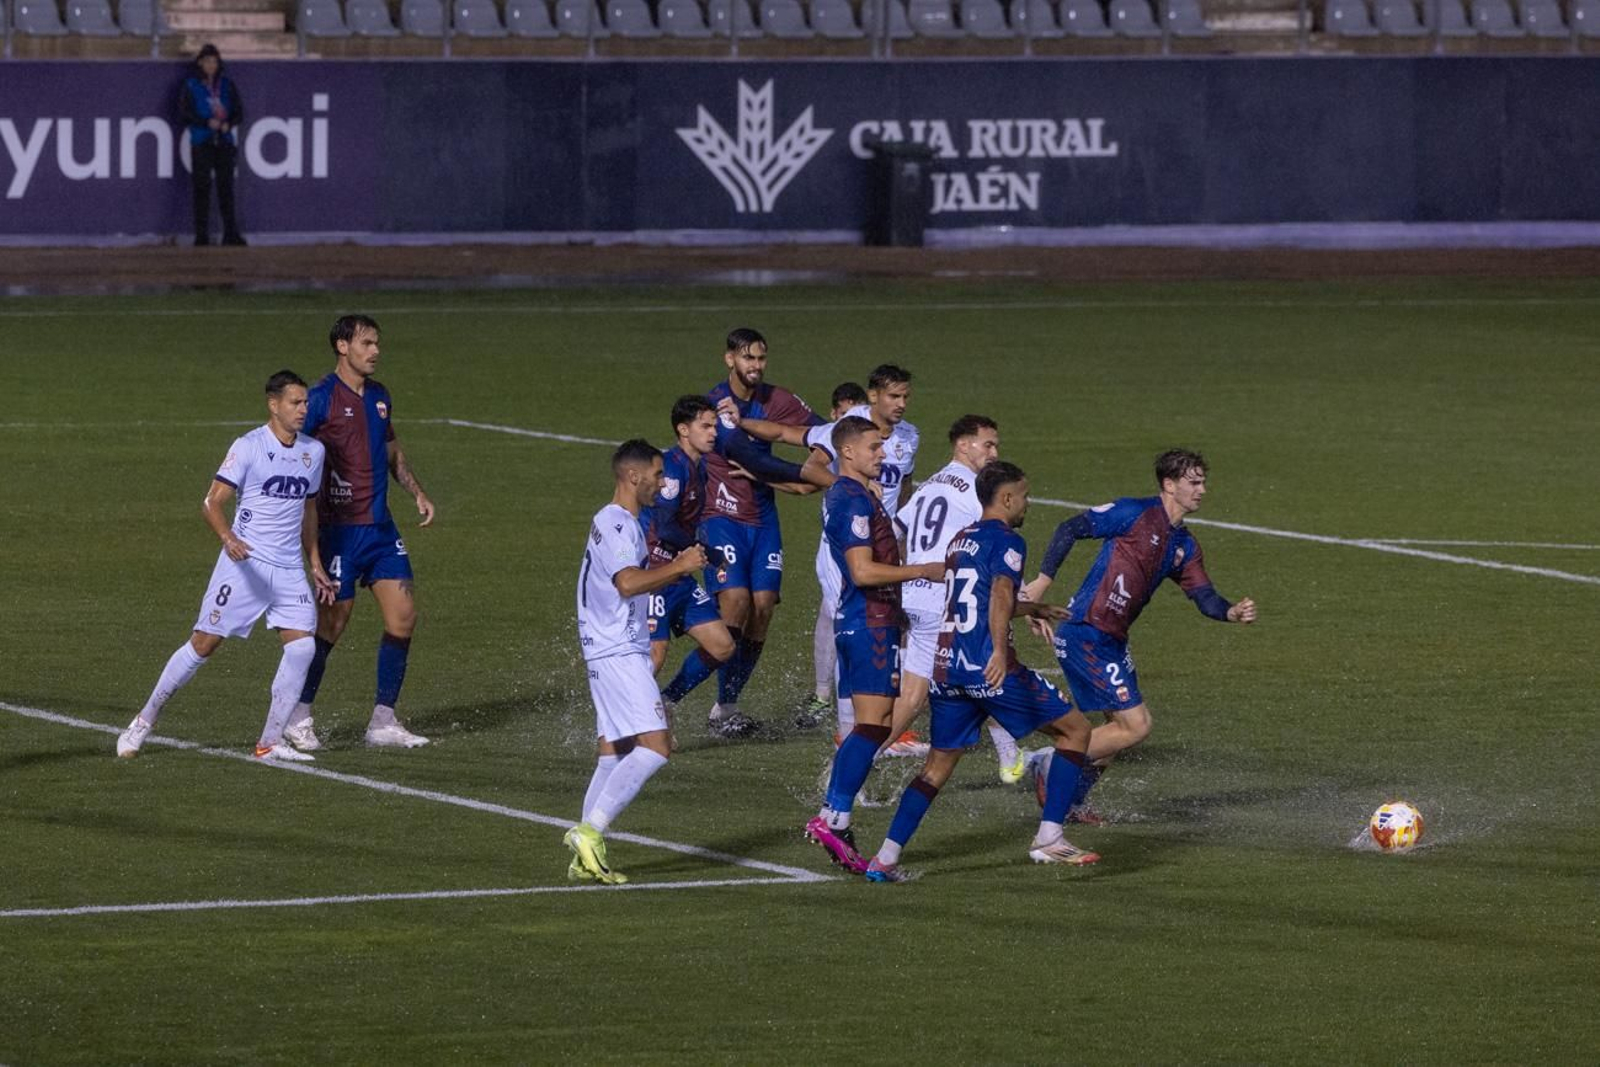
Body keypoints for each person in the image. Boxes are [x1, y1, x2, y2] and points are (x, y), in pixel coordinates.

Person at [862, 461, 1098, 883]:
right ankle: (1049, 836)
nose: (1027, 503)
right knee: (1076, 732)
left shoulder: (960, 539)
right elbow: (1001, 594)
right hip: (988, 671)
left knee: (936, 767)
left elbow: (974, 597)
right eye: (1023, 495)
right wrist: (998, 653)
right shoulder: (1008, 540)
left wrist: (1036, 607)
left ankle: (884, 858)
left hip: (947, 668)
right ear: (1006, 498)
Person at [1018, 449, 1258, 821]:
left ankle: (1068, 803)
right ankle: (1049, 761)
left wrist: (1230, 612)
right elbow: (1070, 528)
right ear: (1169, 484)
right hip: (1087, 632)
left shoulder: (1184, 546)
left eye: (1203, 482)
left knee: (1116, 735)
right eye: (1194, 482)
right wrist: (1042, 583)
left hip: (1112, 640)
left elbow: (1204, 596)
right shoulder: (1134, 514)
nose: (1202, 490)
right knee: (1136, 726)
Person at [117, 371, 334, 761]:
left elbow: (309, 508)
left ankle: (269, 743)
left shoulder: (313, 452)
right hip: (245, 565)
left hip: (287, 569)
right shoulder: (249, 446)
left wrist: (314, 560)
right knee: (203, 644)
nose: (304, 409)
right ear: (274, 405)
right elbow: (211, 502)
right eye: (296, 402)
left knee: (302, 649)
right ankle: (142, 721)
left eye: (306, 403)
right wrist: (229, 539)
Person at [730, 365, 921, 752]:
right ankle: (848, 731)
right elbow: (792, 439)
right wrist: (739, 425)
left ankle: (882, 726)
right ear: (873, 396)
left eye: (905, 397)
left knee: (891, 628)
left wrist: (901, 539)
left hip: (882, 542)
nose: (901, 404)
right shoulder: (850, 427)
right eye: (893, 396)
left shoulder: (909, 437)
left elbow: (904, 487)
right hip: (842, 546)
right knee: (852, 631)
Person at [285, 315, 437, 750]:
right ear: (341, 346)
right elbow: (293, 447)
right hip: (338, 530)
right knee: (333, 622)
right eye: (366, 343)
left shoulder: (379, 397)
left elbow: (390, 448)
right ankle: (298, 716)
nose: (375, 351)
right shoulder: (318, 400)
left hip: (380, 528)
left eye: (376, 344)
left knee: (403, 618)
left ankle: (383, 721)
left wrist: (417, 492)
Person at [803, 417, 944, 873]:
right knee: (869, 728)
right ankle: (835, 816)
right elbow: (862, 571)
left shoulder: (857, 496)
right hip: (868, 622)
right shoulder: (850, 500)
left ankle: (834, 815)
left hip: (870, 620)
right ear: (847, 452)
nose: (882, 454)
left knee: (876, 726)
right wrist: (923, 571)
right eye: (874, 447)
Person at [566, 440, 709, 885]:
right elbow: (628, 583)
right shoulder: (619, 526)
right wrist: (681, 565)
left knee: (614, 749)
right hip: (617, 652)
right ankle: (590, 831)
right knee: (656, 746)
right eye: (657, 474)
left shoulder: (613, 522)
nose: (662, 482)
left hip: (607, 648)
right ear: (633, 476)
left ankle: (585, 855)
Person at [700, 328, 830, 737]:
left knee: (764, 605)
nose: (755, 366)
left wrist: (819, 461)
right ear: (729, 359)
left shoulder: (779, 400)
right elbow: (744, 453)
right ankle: (673, 697)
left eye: (760, 358)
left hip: (763, 518)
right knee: (736, 601)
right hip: (720, 516)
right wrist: (808, 476)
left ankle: (726, 706)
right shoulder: (717, 404)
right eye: (747, 358)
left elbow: (826, 433)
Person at [887, 414, 1025, 782]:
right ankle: (1012, 753)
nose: (995, 452)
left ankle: (854, 761)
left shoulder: (929, 484)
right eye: (988, 444)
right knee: (989, 669)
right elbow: (990, 546)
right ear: (963, 445)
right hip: (945, 602)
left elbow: (896, 530)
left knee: (914, 695)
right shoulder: (976, 493)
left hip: (915, 598)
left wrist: (904, 576)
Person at [644, 396, 737, 737]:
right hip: (655, 575)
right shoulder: (672, 467)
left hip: (679, 573)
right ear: (684, 430)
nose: (714, 433)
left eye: (715, 425)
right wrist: (704, 551)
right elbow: (664, 525)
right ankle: (625, 721)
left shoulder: (698, 466)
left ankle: (665, 700)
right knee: (655, 655)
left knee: (722, 645)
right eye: (706, 426)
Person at [794, 381, 867, 729]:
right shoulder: (831, 437)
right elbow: (803, 477)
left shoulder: (878, 441)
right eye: (843, 410)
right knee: (841, 619)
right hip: (841, 544)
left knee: (847, 618)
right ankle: (837, 709)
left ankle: (846, 707)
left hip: (874, 537)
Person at [179, 43, 246, 247]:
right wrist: (206, 122)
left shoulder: (227, 84)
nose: (211, 65)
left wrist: (228, 124)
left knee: (226, 188)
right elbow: (184, 113)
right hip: (202, 141)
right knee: (202, 188)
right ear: (200, 63)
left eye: (214, 62)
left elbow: (239, 112)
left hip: (224, 142)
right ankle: (202, 235)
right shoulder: (190, 85)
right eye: (207, 61)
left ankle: (230, 233)